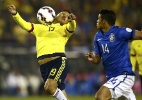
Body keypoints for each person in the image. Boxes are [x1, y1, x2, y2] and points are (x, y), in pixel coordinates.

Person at [7, 4, 76, 100]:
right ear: (55, 15)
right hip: (43, 66)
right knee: (58, 89)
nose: (65, 17)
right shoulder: (39, 28)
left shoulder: (65, 29)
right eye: (63, 14)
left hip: (58, 61)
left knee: (49, 87)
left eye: (68, 17)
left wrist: (72, 20)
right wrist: (15, 14)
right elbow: (24, 25)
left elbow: (72, 27)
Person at [86, 9, 142, 100]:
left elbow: (140, 35)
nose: (97, 21)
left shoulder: (120, 32)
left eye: (98, 19)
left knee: (100, 96)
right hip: (111, 77)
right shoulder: (98, 36)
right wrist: (93, 59)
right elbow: (97, 59)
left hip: (124, 75)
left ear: (104, 21)